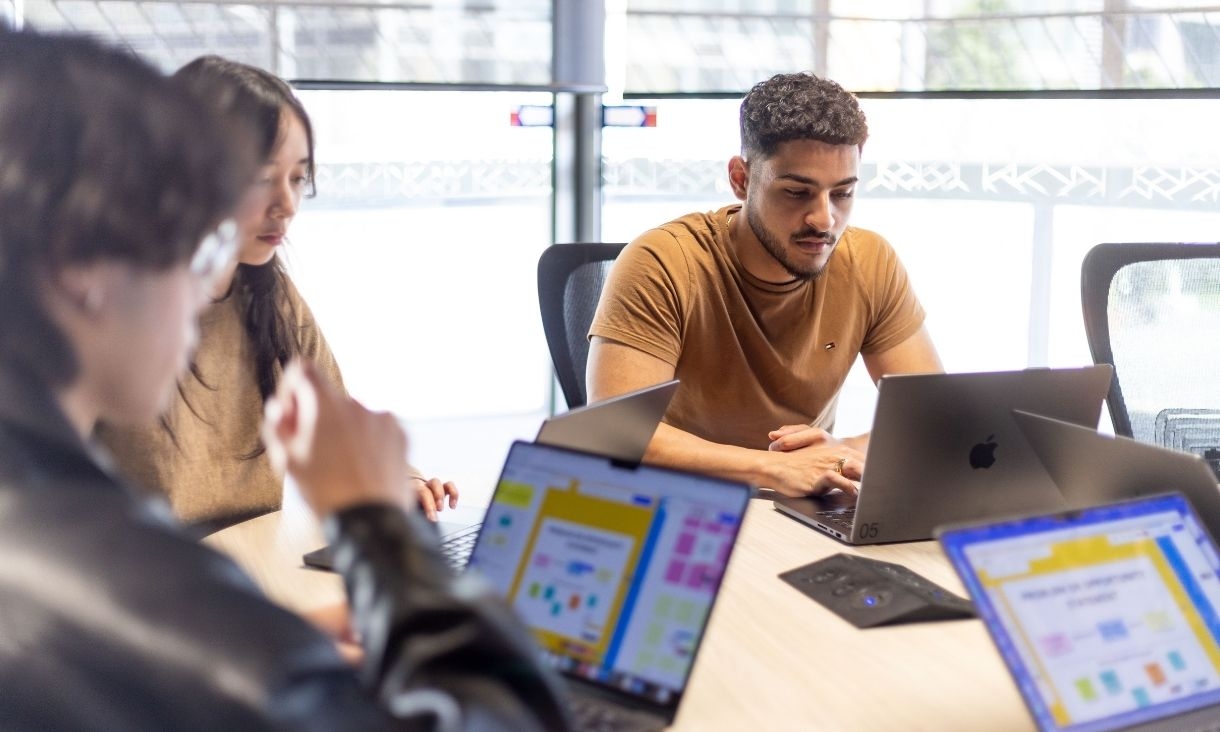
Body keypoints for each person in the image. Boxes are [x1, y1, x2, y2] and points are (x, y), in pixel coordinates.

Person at [0, 29, 568, 730]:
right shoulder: (115, 588)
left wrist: (256, 640)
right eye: (187, 239)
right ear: (80, 268)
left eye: (299, 178)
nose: (207, 278)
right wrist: (380, 534)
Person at [94, 55, 457, 531]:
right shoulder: (102, 307)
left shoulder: (268, 292)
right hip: (148, 580)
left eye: (298, 178)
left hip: (247, 572)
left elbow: (334, 424)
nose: (286, 205)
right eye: (263, 178)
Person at [587, 72, 943, 498]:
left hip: (802, 502)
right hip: (679, 503)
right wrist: (772, 468)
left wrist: (843, 453)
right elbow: (618, 434)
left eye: (842, 194)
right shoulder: (663, 262)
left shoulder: (869, 261)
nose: (824, 219)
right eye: (796, 193)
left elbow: (928, 415)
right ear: (741, 179)